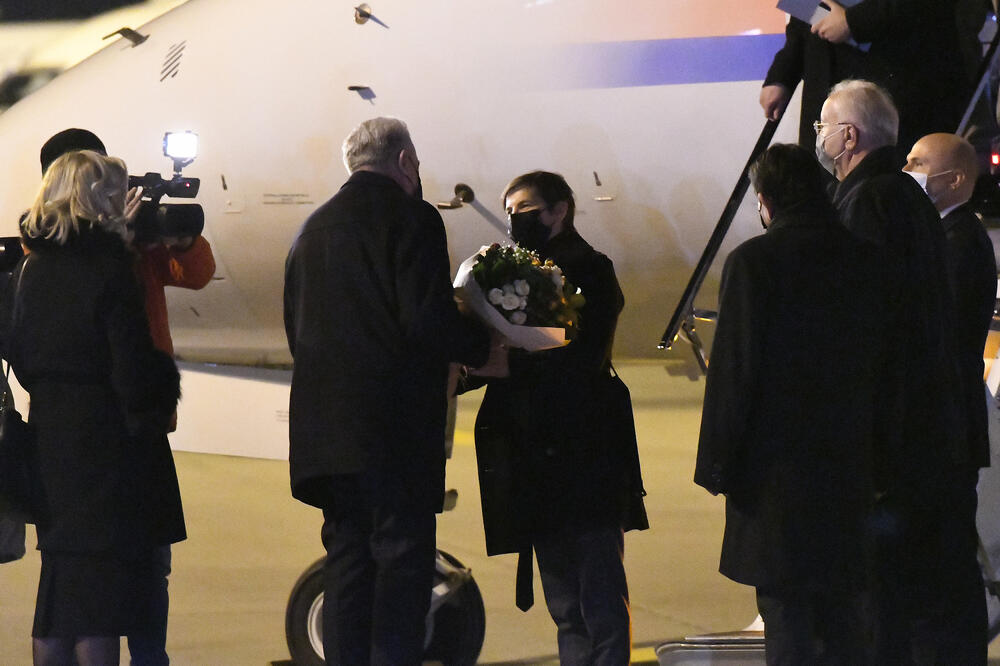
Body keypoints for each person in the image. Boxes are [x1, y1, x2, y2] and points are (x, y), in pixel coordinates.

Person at [283, 117, 492, 665]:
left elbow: (295, 330)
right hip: (393, 435)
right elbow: (425, 320)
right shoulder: (412, 218)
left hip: (326, 439)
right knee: (401, 573)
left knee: (347, 566)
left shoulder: (312, 229)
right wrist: (482, 342)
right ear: (404, 163)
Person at [695, 143, 886, 664]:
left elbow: (736, 372)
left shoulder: (755, 262)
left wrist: (716, 463)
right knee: (845, 616)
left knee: (787, 618)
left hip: (776, 473)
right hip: (849, 465)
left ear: (766, 201)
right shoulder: (865, 258)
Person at [37, 127, 215, 666]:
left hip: (114, 428)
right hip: (108, 431)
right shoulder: (50, 249)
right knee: (91, 579)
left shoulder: (124, 248)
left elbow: (198, 273)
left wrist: (170, 240)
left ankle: (149, 655)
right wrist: (117, 246)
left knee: (142, 564)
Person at [2, 150, 184, 666]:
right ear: (99, 199)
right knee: (98, 605)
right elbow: (133, 374)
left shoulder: (32, 269)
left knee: (58, 595)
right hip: (103, 452)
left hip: (50, 443)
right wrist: (162, 383)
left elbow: (21, 351)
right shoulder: (109, 271)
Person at [462, 171, 647, 665]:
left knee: (600, 600)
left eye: (523, 209)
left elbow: (585, 355)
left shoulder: (592, 269)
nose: (513, 221)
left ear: (559, 210)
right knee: (564, 606)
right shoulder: (512, 272)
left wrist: (512, 357)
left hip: (584, 454)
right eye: (509, 211)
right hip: (535, 456)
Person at [818, 79, 969, 664]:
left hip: (889, 439)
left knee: (882, 601)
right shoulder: (906, 199)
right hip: (925, 430)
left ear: (848, 135)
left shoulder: (867, 202)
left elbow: (864, 326)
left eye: (822, 126)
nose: (819, 138)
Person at [902, 132, 995, 663]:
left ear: (955, 179)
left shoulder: (956, 243)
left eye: (918, 163)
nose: (908, 170)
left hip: (946, 432)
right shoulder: (951, 237)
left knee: (944, 571)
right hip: (951, 429)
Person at [761, 1, 974, 156]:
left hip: (900, 84)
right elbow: (804, 12)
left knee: (890, 197)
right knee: (825, 197)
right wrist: (782, 75)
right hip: (827, 92)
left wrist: (853, 22)